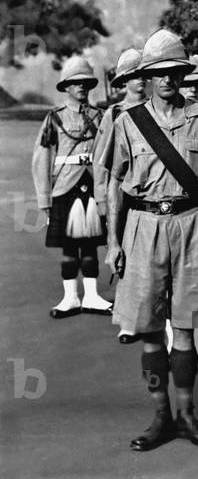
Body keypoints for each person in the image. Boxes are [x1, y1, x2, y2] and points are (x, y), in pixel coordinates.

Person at [104, 30, 198, 451]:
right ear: (147, 76)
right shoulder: (128, 122)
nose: (167, 80)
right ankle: (161, 415)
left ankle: (188, 412)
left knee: (188, 329)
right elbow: (114, 186)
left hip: (191, 224)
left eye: (174, 72)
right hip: (142, 225)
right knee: (150, 330)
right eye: (158, 73)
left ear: (182, 74)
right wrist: (113, 242)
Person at [32, 56, 112, 318]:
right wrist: (44, 198)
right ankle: (70, 297)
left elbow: (107, 156)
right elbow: (41, 159)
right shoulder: (54, 119)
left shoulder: (100, 117)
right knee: (68, 249)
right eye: (75, 83)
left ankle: (91, 296)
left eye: (85, 82)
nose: (81, 87)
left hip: (92, 184)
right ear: (66, 86)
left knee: (90, 247)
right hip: (65, 187)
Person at [93, 47, 147, 342]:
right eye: (134, 76)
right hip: (122, 196)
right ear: (124, 80)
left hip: (148, 197)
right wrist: (103, 200)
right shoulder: (114, 113)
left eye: (143, 75)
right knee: (123, 257)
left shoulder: (157, 110)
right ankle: (128, 319)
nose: (140, 81)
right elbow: (102, 163)